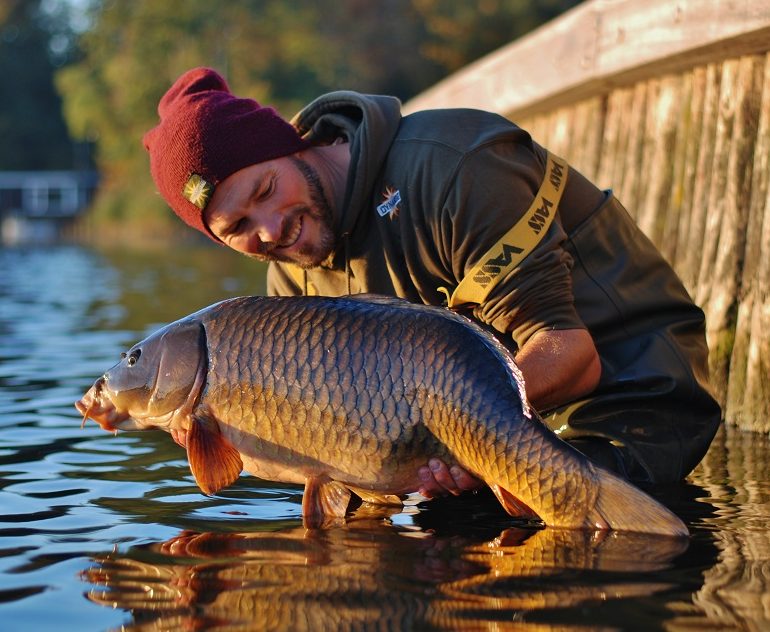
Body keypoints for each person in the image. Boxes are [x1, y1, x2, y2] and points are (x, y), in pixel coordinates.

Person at [143, 67, 721, 498]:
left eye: (265, 191)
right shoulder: (289, 281)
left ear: (295, 147)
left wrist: (434, 428)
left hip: (629, 401)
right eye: (237, 227)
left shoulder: (455, 166)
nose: (269, 230)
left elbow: (571, 356)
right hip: (490, 445)